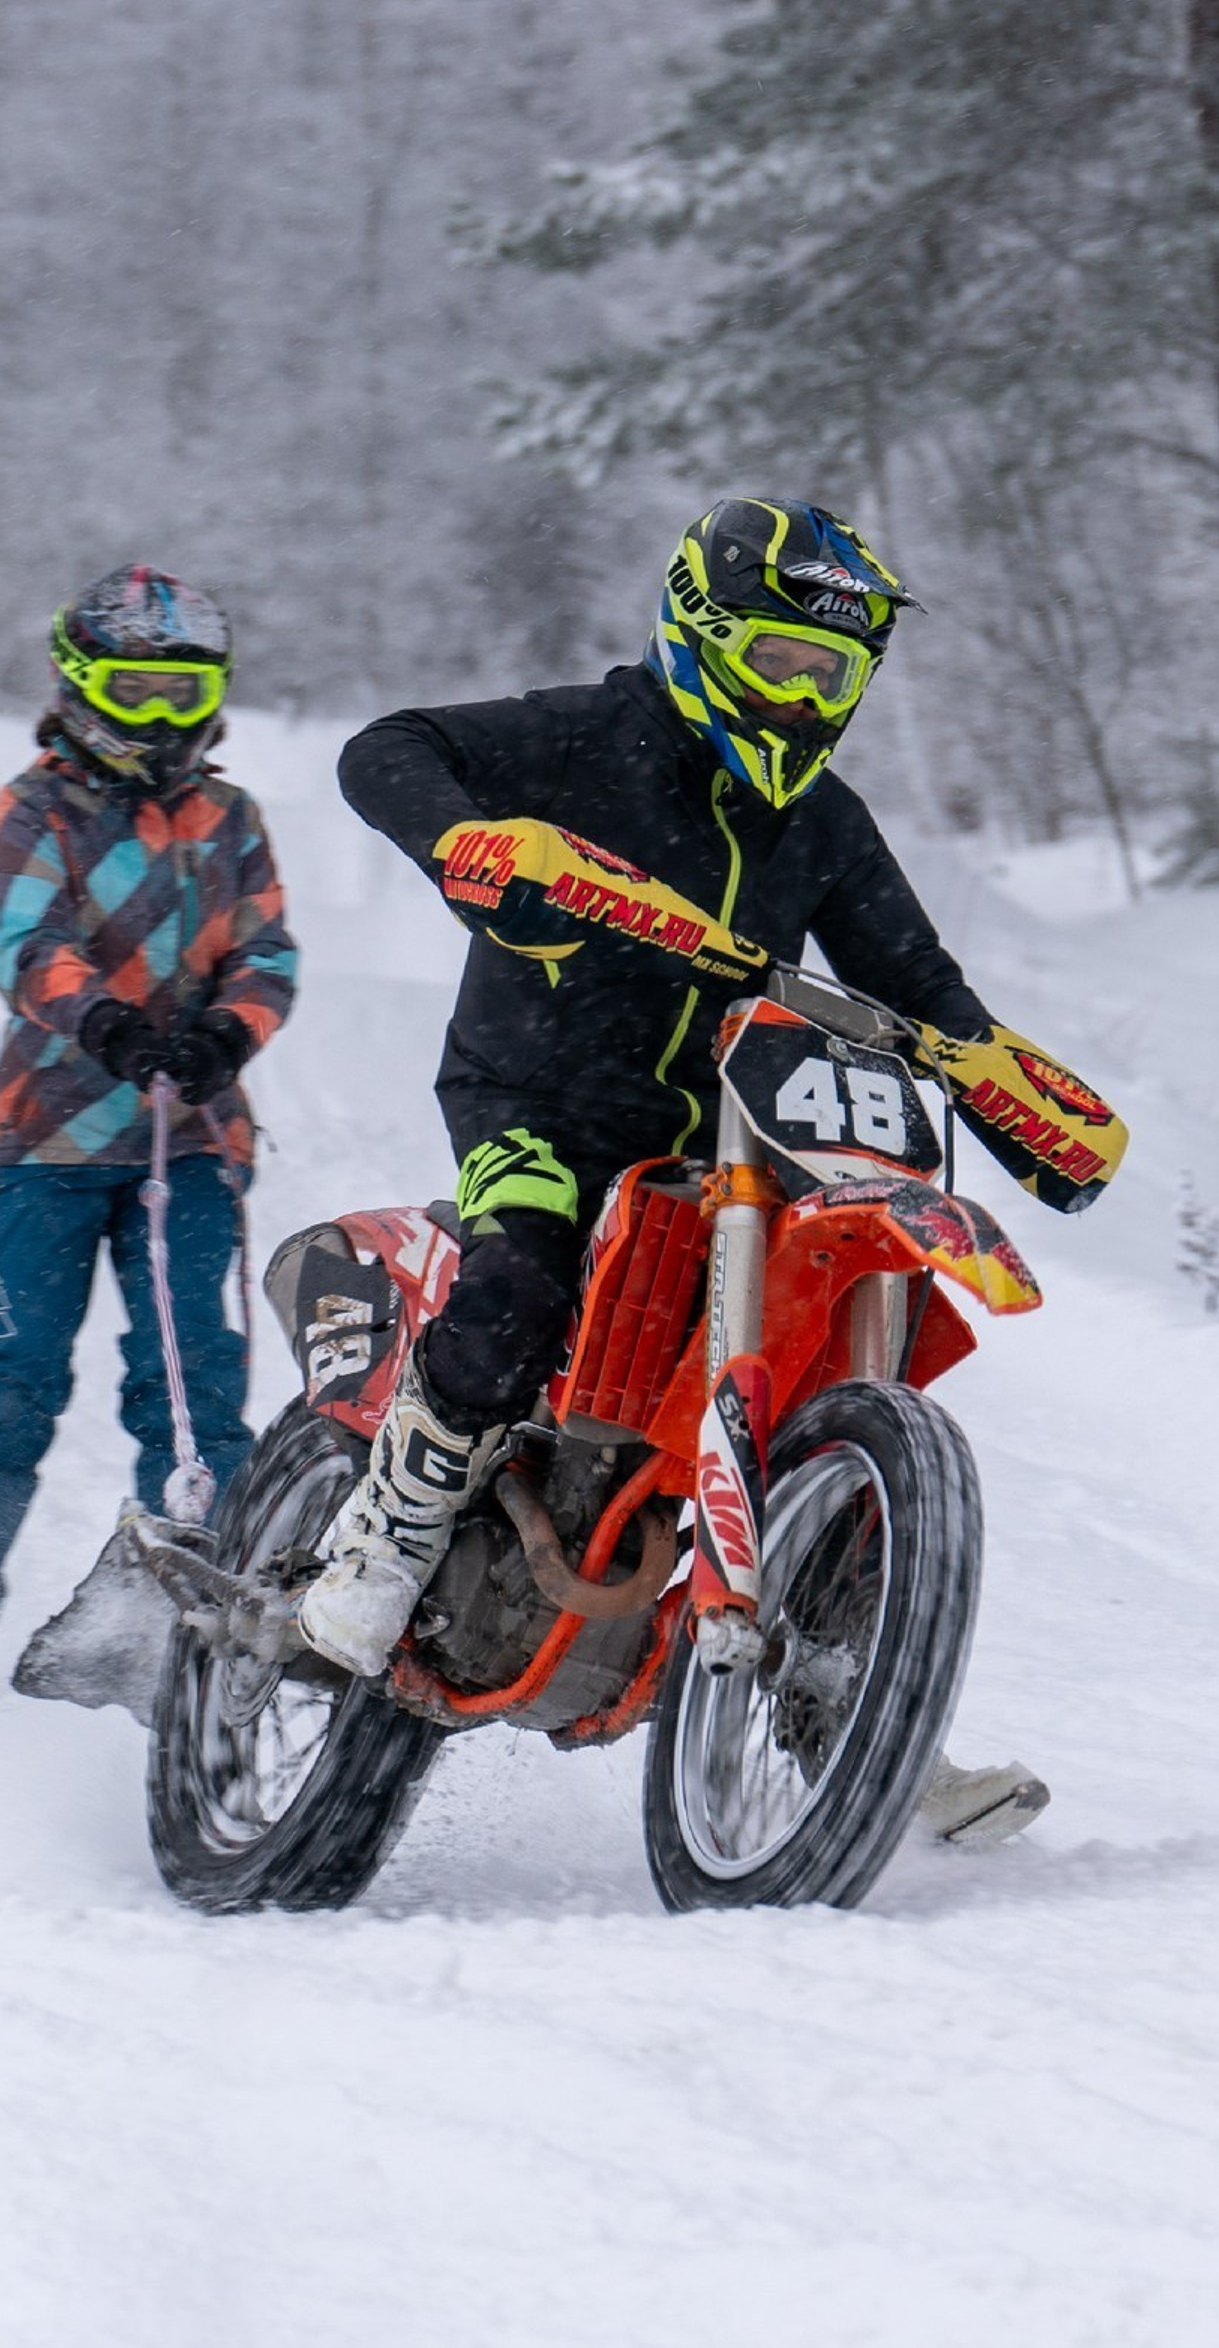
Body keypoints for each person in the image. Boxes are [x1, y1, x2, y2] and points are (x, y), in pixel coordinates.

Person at [297, 496, 993, 1679]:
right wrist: (472, 842)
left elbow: (913, 977)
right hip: (539, 1100)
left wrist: (1009, 1084)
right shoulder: (589, 736)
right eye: (777, 659)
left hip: (730, 1136)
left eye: (828, 673)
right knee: (519, 1272)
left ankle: (853, 1689)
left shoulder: (819, 819)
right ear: (701, 628)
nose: (800, 696)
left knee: (835, 1329)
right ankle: (389, 1537)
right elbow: (389, 749)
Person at [0, 566, 297, 1716]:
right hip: (50, 1140)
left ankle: (202, 1600)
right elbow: (23, 939)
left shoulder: (231, 818)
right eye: (135, 689)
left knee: (191, 1382)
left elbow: (269, 955)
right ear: (80, 685)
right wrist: (105, 1021)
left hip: (192, 1140)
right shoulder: (36, 808)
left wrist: (224, 1034)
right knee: (11, 1379)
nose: (161, 717)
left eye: (184, 692)